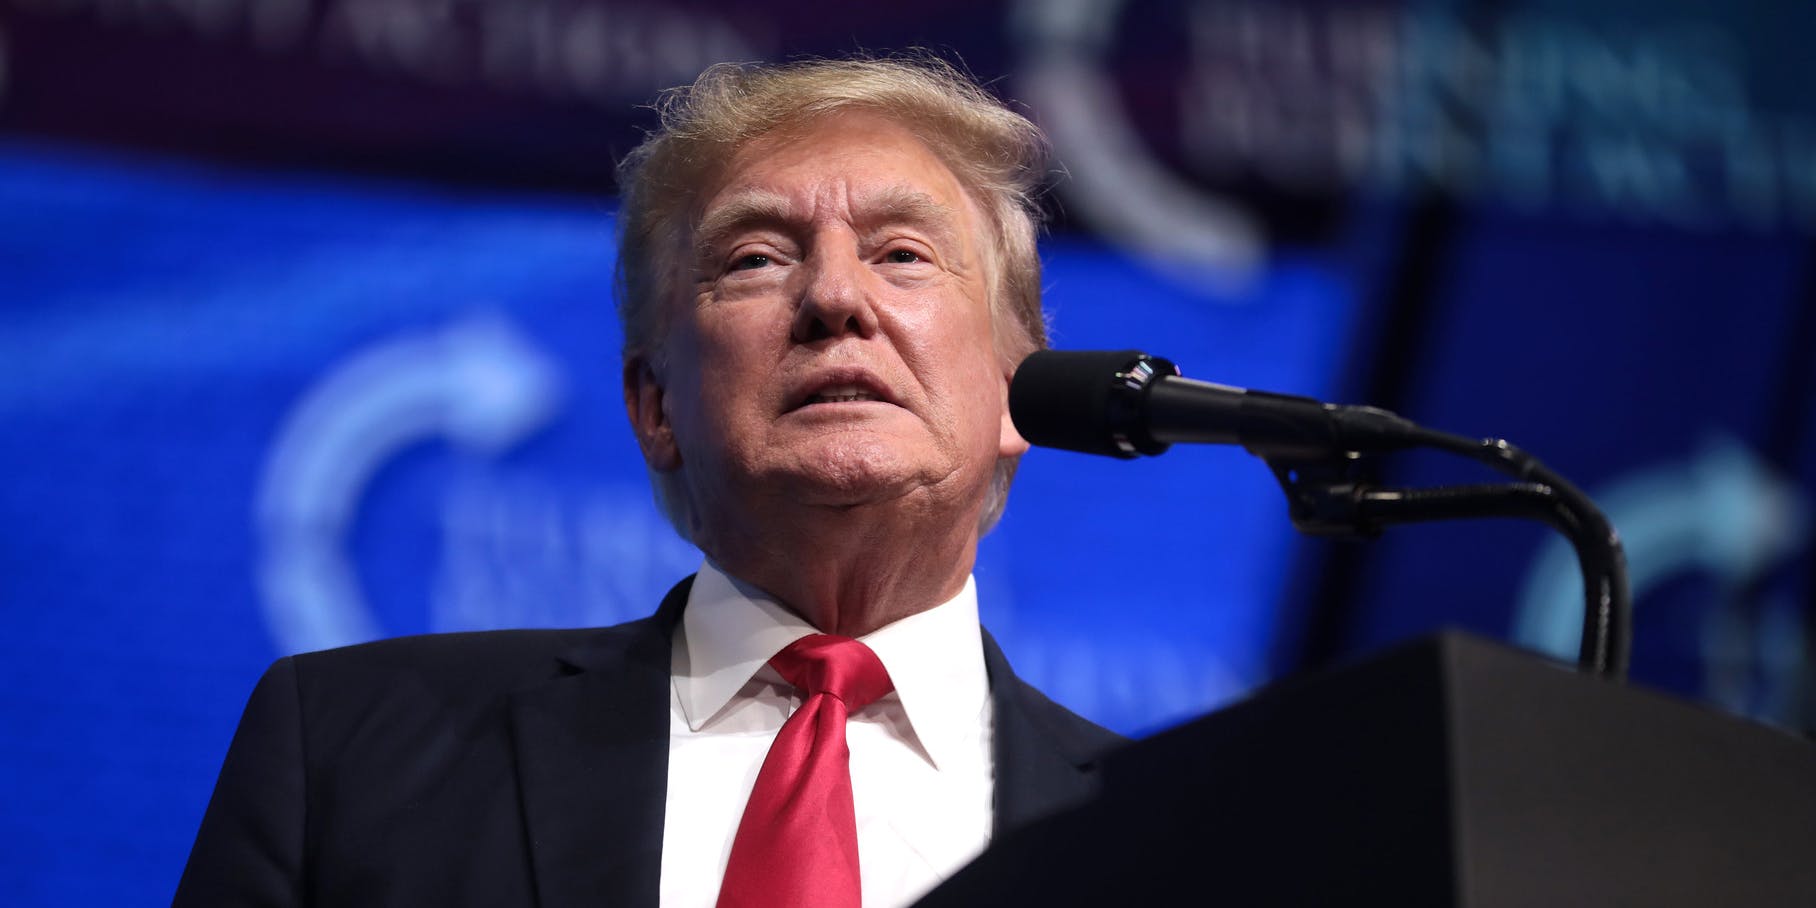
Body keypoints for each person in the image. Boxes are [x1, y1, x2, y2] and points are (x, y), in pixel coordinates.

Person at [175, 55, 1123, 908]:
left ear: (1016, 392)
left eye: (902, 254)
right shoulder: (351, 750)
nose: (836, 298)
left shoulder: (1177, 837)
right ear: (654, 405)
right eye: (755, 258)